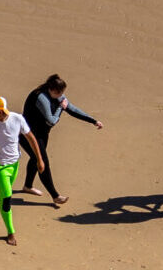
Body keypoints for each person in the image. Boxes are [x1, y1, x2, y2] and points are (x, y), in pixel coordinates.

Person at [20, 75, 102, 205]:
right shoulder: (41, 97)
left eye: (62, 93)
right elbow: (51, 120)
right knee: (42, 162)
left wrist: (93, 121)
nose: (61, 96)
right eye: (58, 93)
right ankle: (55, 196)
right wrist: (60, 108)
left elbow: (72, 109)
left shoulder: (57, 96)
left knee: (35, 158)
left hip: (41, 135)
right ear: (50, 89)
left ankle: (27, 186)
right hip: (27, 135)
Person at [0, 96, 45, 246]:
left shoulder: (17, 119)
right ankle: (10, 232)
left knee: (1, 191)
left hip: (14, 164)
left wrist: (39, 159)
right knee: (6, 196)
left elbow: (31, 137)